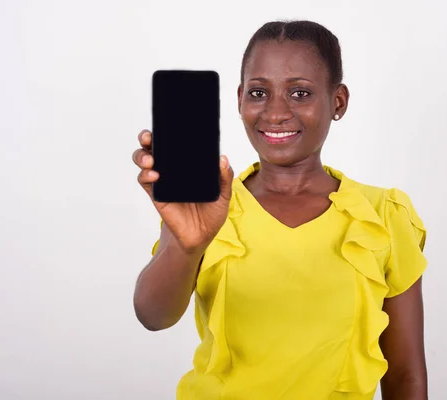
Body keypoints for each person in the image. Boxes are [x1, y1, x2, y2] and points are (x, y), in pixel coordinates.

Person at [132, 20, 428, 400]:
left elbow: (404, 375)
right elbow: (153, 316)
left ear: (337, 101)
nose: (275, 112)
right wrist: (186, 247)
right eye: (258, 92)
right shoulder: (205, 207)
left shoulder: (384, 215)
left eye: (300, 93)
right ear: (239, 99)